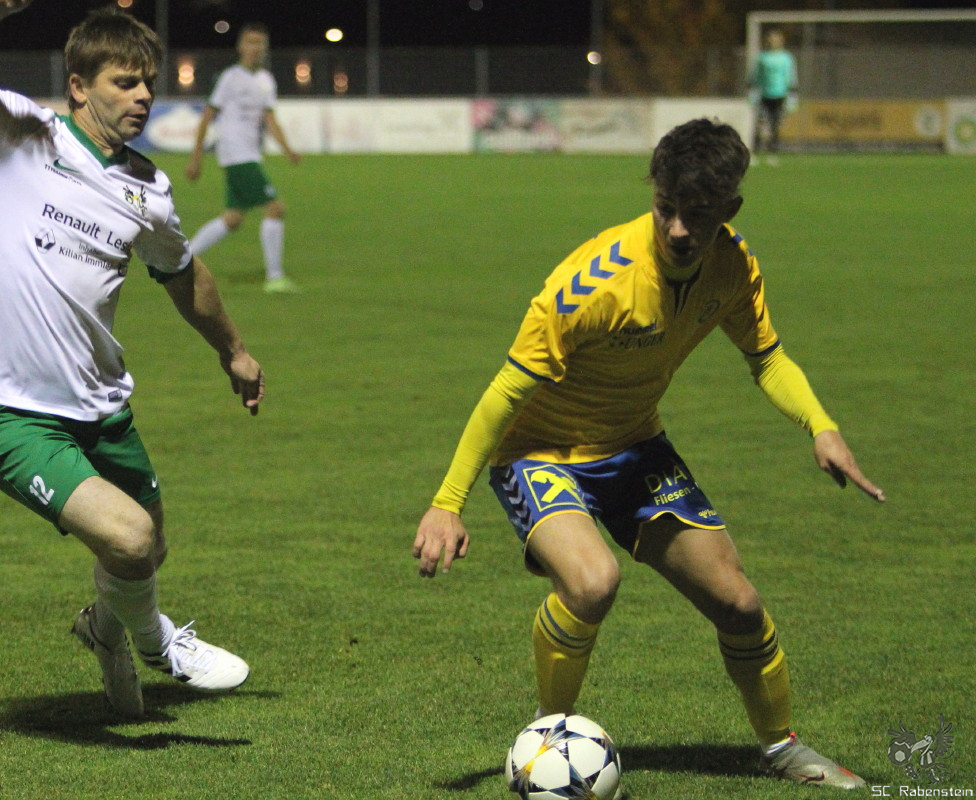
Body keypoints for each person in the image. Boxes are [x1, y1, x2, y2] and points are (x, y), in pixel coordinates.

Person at [412, 119, 884, 790]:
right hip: (539, 451)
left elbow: (767, 358)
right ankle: (548, 736)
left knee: (740, 605)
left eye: (699, 213)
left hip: (634, 446)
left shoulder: (732, 266)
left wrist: (821, 427)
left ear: (730, 209)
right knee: (592, 583)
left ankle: (782, 749)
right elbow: (503, 393)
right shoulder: (591, 284)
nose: (679, 229)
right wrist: (447, 503)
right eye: (666, 208)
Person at [0, 0, 264, 719]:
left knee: (148, 550)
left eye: (148, 83)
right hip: (11, 414)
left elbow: (185, 275)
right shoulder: (18, 131)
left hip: (102, 408)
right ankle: (159, 645)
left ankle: (104, 630)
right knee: (129, 539)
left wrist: (234, 349)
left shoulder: (148, 189)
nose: (143, 96)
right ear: (78, 86)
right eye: (125, 83)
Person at [184, 22, 302, 294]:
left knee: (233, 218)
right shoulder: (230, 77)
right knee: (275, 208)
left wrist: (287, 150)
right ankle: (275, 278)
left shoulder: (266, 80)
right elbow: (207, 117)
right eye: (250, 42)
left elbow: (270, 119)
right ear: (240, 46)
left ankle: (181, 260)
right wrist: (196, 158)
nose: (255, 48)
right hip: (236, 154)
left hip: (250, 154)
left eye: (260, 43)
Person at [749, 29, 798, 155]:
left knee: (775, 123)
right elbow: (755, 76)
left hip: (780, 95)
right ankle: (756, 149)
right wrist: (752, 93)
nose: (773, 42)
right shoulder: (762, 57)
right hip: (764, 94)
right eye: (771, 39)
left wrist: (792, 97)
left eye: (776, 40)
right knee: (760, 122)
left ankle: (773, 150)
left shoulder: (786, 58)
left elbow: (791, 76)